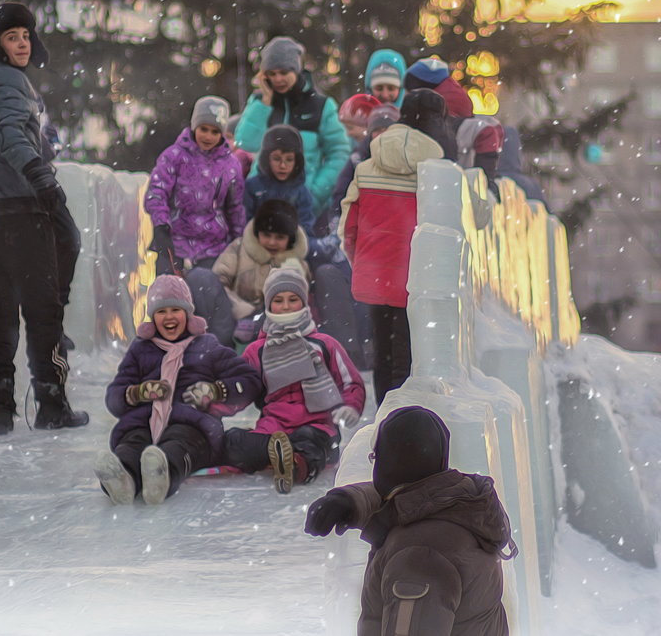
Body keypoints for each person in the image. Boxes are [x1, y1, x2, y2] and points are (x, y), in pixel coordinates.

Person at [0, 1, 87, 435]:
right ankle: (52, 404)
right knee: (43, 311)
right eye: (12, 37)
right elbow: (8, 133)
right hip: (22, 206)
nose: (23, 44)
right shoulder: (9, 81)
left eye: (27, 35)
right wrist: (39, 176)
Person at [304, 406, 517, 635]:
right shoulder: (457, 503)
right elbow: (409, 500)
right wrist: (348, 501)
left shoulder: (419, 558)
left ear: (387, 464)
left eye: (376, 458)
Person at [96, 275, 262, 504]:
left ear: (188, 314)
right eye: (161, 311)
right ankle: (122, 478)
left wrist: (215, 391)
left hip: (192, 425)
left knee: (178, 445)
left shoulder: (206, 346)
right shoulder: (141, 349)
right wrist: (137, 393)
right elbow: (114, 396)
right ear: (153, 317)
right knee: (133, 443)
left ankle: (162, 477)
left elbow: (250, 381)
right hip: (143, 421)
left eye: (176, 309)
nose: (169, 317)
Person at [339, 95, 444, 404]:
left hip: (375, 271)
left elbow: (348, 228)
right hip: (416, 275)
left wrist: (362, 262)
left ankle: (386, 414)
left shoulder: (366, 168)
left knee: (382, 348)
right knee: (411, 351)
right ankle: (409, 415)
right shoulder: (434, 171)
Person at [224, 266, 365, 494]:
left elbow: (350, 382)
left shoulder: (324, 344)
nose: (286, 306)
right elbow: (240, 389)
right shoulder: (257, 350)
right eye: (279, 300)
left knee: (311, 442)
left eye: (293, 299)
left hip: (318, 425)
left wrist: (350, 405)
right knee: (235, 441)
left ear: (304, 303)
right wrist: (214, 397)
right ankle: (278, 453)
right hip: (274, 427)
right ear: (269, 305)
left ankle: (296, 464)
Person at [234, 35, 350, 215]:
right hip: (261, 204)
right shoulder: (259, 103)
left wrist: (315, 194)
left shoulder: (321, 106)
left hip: (303, 207)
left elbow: (339, 153)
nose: (278, 79)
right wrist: (264, 104)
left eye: (283, 72)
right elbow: (245, 143)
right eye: (271, 74)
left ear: (296, 70)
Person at [185, 198, 310, 347]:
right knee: (200, 277)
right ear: (257, 233)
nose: (271, 242)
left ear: (290, 239)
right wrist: (244, 311)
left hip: (269, 321)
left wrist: (259, 316)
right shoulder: (239, 248)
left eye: (279, 238)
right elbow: (219, 282)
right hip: (231, 313)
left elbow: (296, 300)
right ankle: (218, 346)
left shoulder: (296, 265)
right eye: (266, 235)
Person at [144, 95, 245, 276]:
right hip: (174, 241)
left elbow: (235, 207)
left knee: (206, 293)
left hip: (213, 245)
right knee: (170, 294)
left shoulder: (230, 165)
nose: (208, 136)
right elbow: (157, 192)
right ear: (194, 126)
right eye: (203, 129)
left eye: (215, 131)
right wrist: (161, 226)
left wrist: (238, 241)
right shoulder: (174, 156)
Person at [243, 124, 316, 239]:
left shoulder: (301, 192)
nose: (283, 166)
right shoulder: (252, 187)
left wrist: (294, 247)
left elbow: (305, 229)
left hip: (290, 250)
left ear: (297, 161)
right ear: (267, 159)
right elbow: (244, 223)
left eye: (289, 159)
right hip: (255, 248)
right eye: (277, 159)